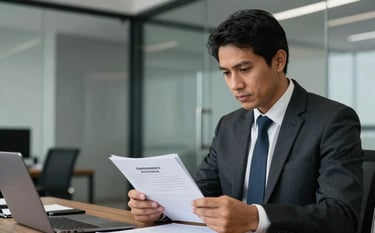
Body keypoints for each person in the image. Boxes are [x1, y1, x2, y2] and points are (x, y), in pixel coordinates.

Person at [128, 9, 363, 233]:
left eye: (244, 69)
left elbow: (341, 217)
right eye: (226, 72)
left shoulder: (332, 120)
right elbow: (196, 198)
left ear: (279, 61)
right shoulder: (228, 126)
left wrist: (255, 218)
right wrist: (157, 210)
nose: (234, 84)